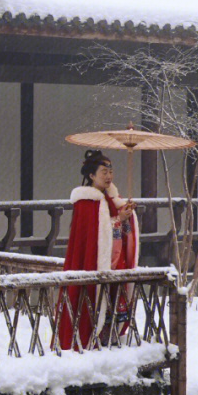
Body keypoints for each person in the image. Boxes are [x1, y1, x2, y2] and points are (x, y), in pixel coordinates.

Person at [58, 147, 139, 351]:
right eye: (104, 171)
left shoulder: (111, 200)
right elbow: (94, 237)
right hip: (94, 263)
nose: (109, 176)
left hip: (115, 263)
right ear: (92, 175)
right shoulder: (86, 202)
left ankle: (109, 341)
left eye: (111, 171)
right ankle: (88, 341)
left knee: (112, 305)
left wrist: (126, 215)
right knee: (93, 303)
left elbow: (120, 232)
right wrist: (118, 220)